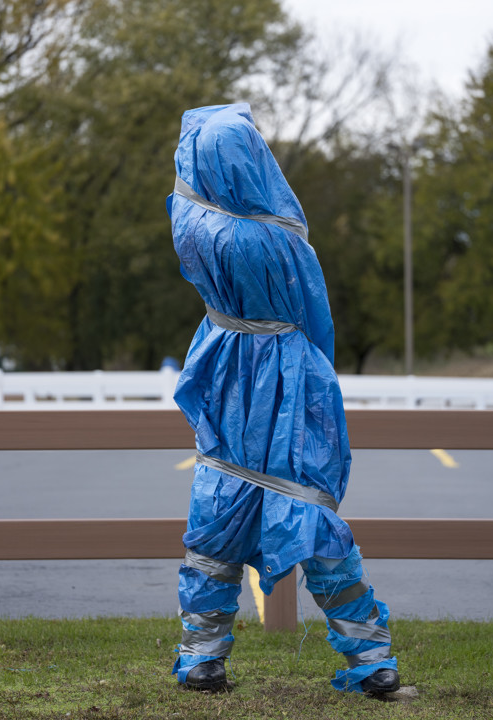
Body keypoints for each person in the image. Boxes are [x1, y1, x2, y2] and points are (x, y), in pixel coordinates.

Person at [167, 103, 399, 694]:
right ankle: (371, 658)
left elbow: (185, 192)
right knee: (311, 513)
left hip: (222, 369)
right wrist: (313, 374)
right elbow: (313, 316)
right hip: (289, 378)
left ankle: (201, 655)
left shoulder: (188, 225)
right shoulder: (279, 239)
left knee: (217, 509)